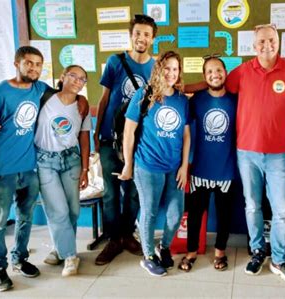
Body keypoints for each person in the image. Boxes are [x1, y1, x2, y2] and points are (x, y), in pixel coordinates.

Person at [223, 23, 285, 284]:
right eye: (261, 41)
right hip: (246, 152)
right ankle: (258, 250)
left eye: (271, 40)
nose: (267, 45)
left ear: (278, 41)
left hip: (279, 154)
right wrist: (186, 88)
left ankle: (280, 259)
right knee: (252, 205)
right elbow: (215, 84)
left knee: (283, 209)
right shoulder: (241, 72)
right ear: (254, 45)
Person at [0, 46, 48, 292]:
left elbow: (65, 94)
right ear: (17, 63)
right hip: (1, 170)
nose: (34, 68)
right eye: (29, 63)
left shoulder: (39, 89)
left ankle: (20, 258)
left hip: (29, 169)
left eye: (38, 64)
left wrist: (80, 100)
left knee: (25, 217)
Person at [119, 50, 191, 277]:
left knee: (175, 213)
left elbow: (187, 134)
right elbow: (128, 132)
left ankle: (164, 247)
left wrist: (184, 166)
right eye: (167, 68)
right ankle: (148, 255)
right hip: (147, 165)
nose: (171, 73)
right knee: (149, 212)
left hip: (173, 167)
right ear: (159, 68)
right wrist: (128, 164)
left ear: (179, 72)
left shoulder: (181, 99)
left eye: (175, 69)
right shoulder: (144, 94)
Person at [93, 14, 157, 265]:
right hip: (111, 140)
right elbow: (104, 99)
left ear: (152, 39)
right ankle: (113, 239)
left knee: (133, 192)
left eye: (146, 34)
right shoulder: (115, 61)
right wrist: (98, 134)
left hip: (139, 142)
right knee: (110, 193)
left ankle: (127, 234)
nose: (141, 38)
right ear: (131, 35)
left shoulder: (155, 68)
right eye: (137, 33)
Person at [178, 55, 237, 272]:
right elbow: (182, 128)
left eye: (219, 70)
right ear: (205, 76)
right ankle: (191, 251)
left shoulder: (235, 99)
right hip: (200, 169)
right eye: (210, 72)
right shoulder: (196, 100)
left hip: (227, 169)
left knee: (224, 215)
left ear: (225, 72)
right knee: (194, 214)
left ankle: (220, 252)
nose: (215, 74)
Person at [34, 65, 91, 276]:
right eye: (73, 76)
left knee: (73, 210)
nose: (77, 81)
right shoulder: (44, 98)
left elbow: (84, 139)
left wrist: (85, 169)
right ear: (62, 77)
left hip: (71, 160)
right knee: (58, 210)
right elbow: (20, 107)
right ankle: (70, 256)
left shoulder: (82, 107)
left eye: (82, 79)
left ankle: (60, 249)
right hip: (45, 160)